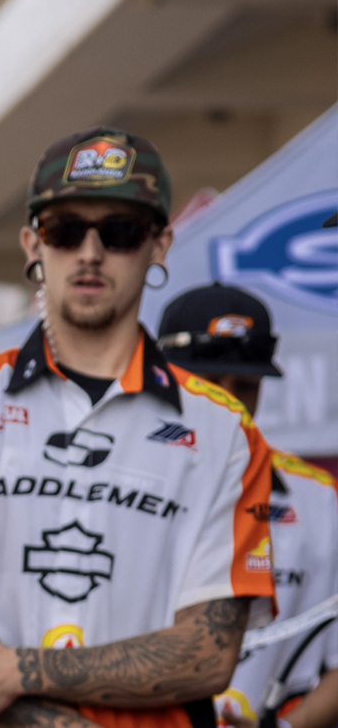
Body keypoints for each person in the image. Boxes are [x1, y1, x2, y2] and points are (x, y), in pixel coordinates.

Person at [0, 127, 275, 728]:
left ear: (160, 244)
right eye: (65, 231)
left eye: (119, 232)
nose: (89, 252)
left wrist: (17, 670)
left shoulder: (226, 431)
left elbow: (208, 652)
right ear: (32, 243)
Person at [155, 285, 338, 728]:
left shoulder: (318, 498)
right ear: (160, 376)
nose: (227, 401)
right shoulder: (102, 477)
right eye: (207, 384)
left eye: (245, 386)